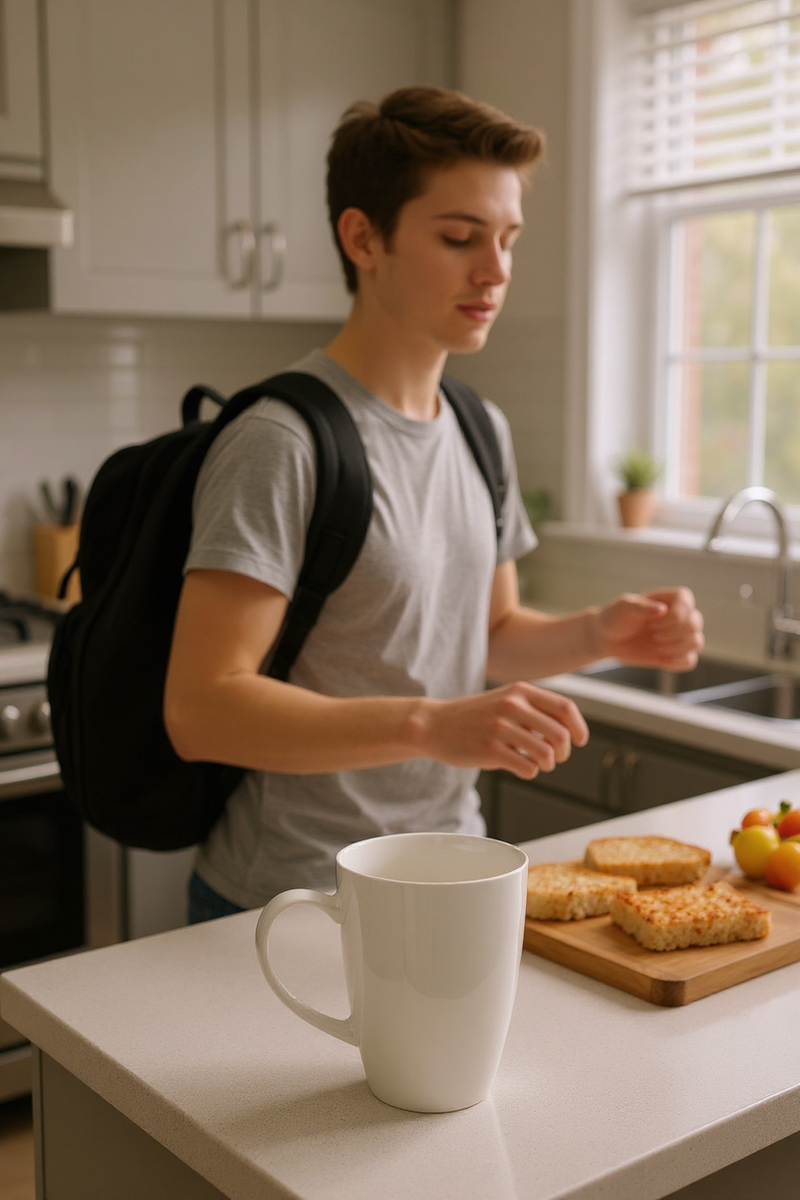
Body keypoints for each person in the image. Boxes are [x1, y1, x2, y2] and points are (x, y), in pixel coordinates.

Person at [163, 86, 704, 922]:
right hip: (289, 902)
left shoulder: (481, 429)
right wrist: (427, 725)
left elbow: (486, 638)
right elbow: (202, 709)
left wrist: (600, 633)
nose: (495, 270)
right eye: (459, 238)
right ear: (363, 237)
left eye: (507, 239)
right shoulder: (284, 440)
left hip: (452, 880)